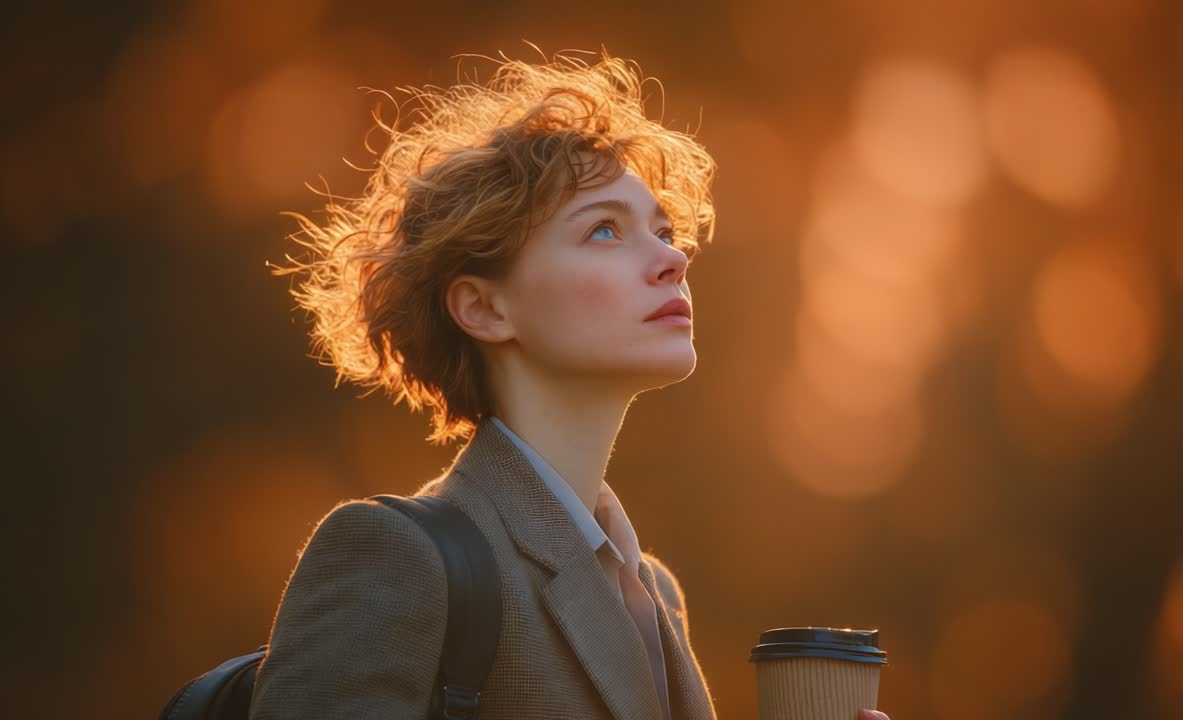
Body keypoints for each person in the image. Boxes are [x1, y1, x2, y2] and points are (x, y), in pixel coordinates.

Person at [248, 51, 894, 720]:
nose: (673, 258)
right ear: (484, 309)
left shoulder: (656, 593)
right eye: (605, 229)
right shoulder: (395, 555)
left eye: (665, 231)